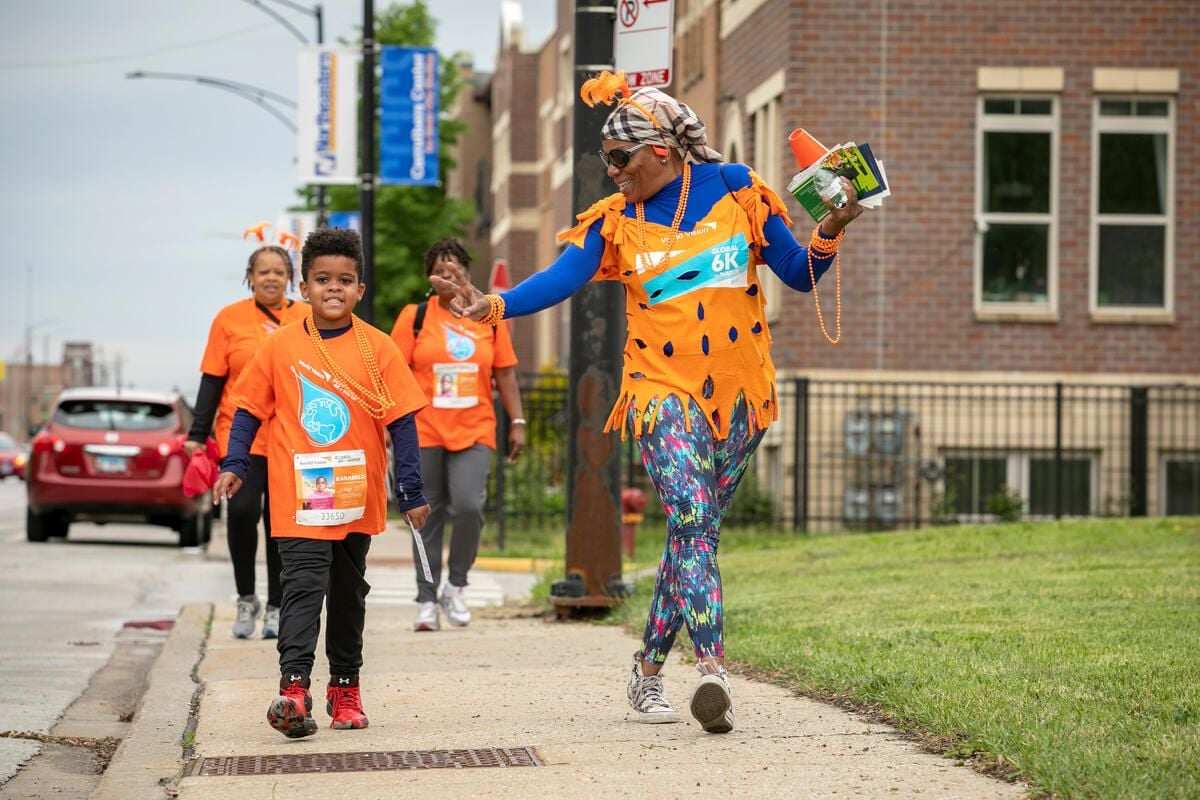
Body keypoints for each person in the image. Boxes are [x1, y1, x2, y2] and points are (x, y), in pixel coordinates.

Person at [433, 72, 863, 734]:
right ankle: (715, 672)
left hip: (742, 391)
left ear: (662, 150)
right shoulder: (615, 223)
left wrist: (832, 225)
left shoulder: (738, 190)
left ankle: (648, 673)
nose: (610, 172)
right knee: (692, 515)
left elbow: (800, 274)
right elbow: (560, 278)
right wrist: (492, 305)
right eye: (605, 160)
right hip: (661, 392)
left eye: (619, 159)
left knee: (695, 535)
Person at [212, 227, 430, 739]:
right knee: (302, 587)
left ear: (360, 290)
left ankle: (345, 688)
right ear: (304, 287)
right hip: (300, 497)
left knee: (348, 592)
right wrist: (235, 464)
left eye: (345, 280)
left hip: (355, 494)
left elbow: (403, 422)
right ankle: (293, 690)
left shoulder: (378, 347)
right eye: (322, 279)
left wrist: (413, 492)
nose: (334, 288)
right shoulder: (279, 347)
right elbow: (247, 409)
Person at [390, 239, 525, 632]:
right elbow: (393, 373)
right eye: (440, 270)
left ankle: (457, 586)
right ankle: (427, 599)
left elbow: (506, 374)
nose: (448, 276)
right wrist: (388, 426)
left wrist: (517, 422)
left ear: (467, 271)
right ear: (429, 278)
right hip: (423, 428)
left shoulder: (487, 316)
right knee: (424, 516)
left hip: (476, 426)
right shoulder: (414, 317)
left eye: (455, 269)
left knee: (468, 506)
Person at [186, 243, 309, 639]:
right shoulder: (230, 319)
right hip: (240, 434)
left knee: (281, 522)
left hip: (291, 435)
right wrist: (196, 435)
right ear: (250, 277)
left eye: (279, 271)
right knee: (240, 513)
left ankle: (276, 605)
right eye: (263, 271)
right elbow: (212, 378)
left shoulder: (306, 317)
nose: (271, 277)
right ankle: (245, 597)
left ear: (290, 277)